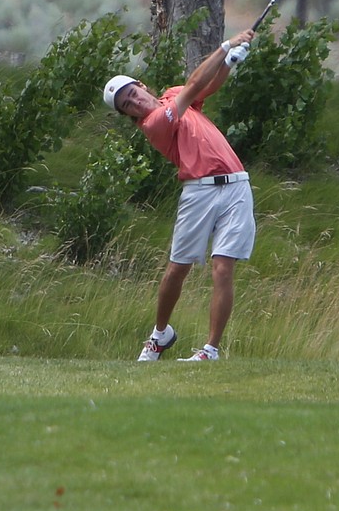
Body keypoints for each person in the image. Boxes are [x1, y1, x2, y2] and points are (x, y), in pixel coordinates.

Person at [103, 29, 256, 362]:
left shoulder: (171, 95)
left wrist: (229, 64)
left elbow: (206, 87)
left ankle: (210, 351)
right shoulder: (154, 124)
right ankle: (160, 335)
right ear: (129, 116)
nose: (133, 102)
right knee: (177, 269)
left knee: (223, 268)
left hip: (236, 185)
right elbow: (193, 86)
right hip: (198, 191)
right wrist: (226, 46)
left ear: (141, 86)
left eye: (132, 93)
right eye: (126, 105)